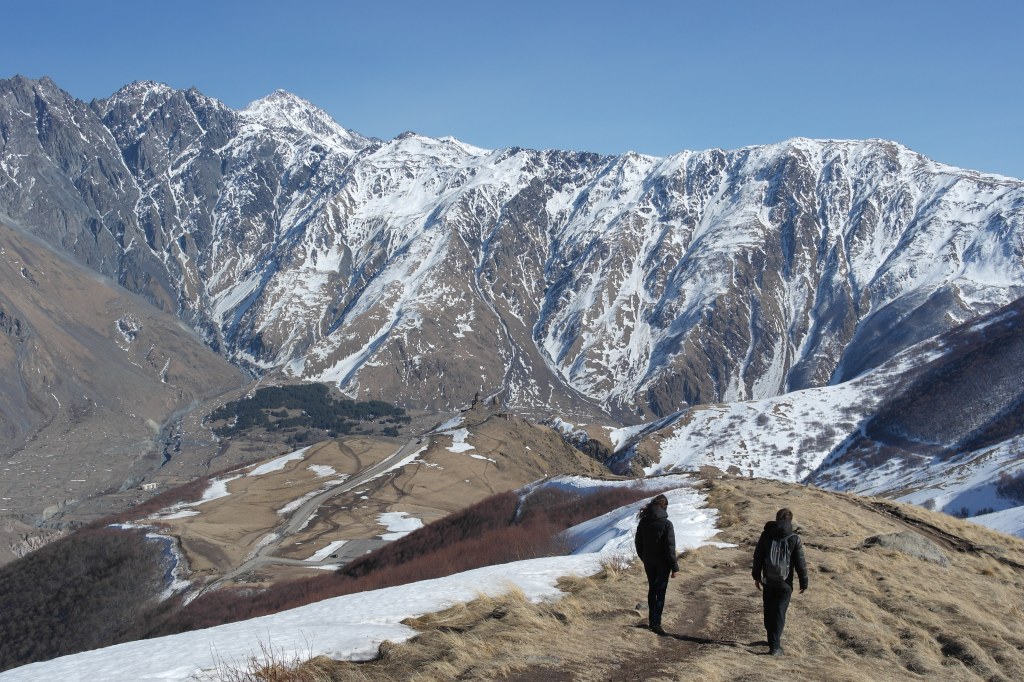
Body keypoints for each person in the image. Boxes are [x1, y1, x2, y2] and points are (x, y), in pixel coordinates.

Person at [752, 507, 808, 655]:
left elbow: (758, 556)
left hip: (768, 581)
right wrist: (804, 582)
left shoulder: (766, 535)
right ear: (791, 520)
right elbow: (800, 563)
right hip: (785, 583)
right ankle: (775, 647)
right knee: (779, 612)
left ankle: (772, 640)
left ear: (777, 519)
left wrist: (756, 577)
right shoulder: (794, 538)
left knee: (769, 610)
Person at [635, 494, 679, 635]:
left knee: (652, 589)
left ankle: (651, 621)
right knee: (660, 591)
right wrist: (674, 567)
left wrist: (644, 558)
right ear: (664, 506)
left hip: (649, 561)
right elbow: (670, 548)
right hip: (663, 563)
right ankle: (656, 623)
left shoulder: (643, 522)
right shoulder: (667, 524)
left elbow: (638, 543)